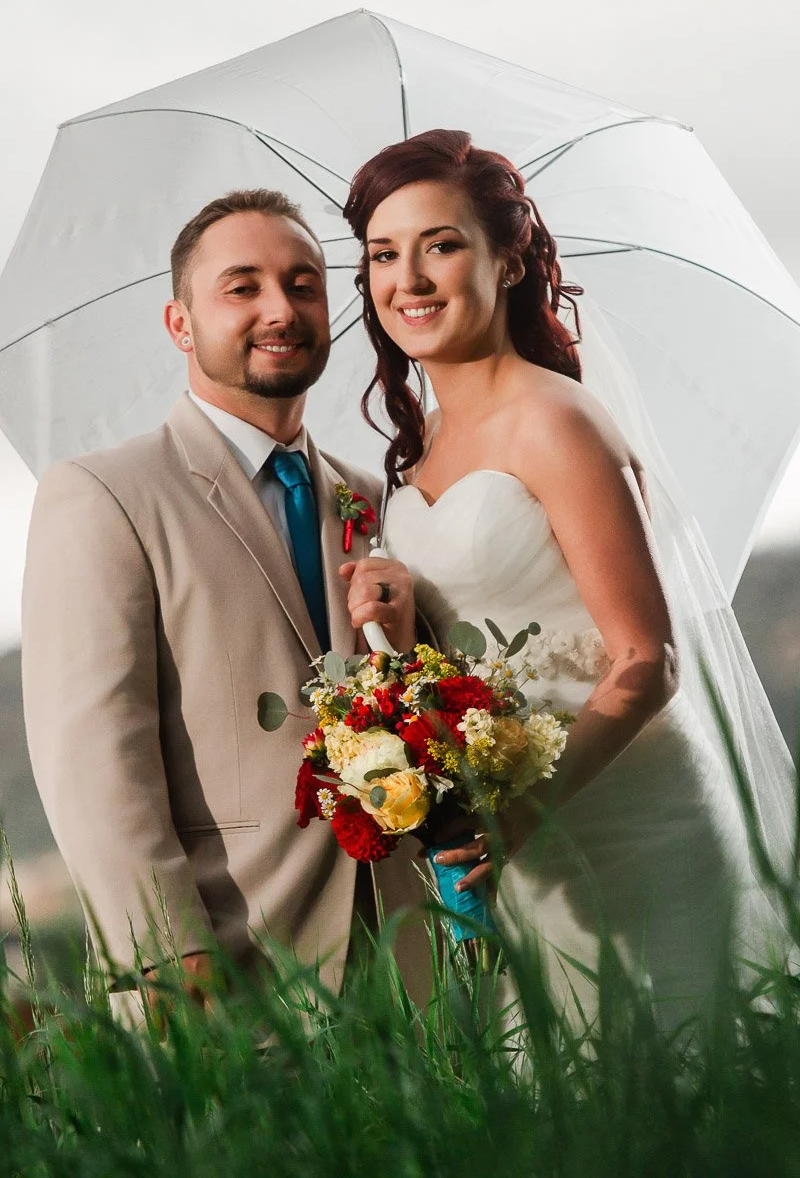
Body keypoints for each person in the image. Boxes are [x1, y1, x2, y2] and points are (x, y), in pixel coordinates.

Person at [342, 129, 798, 1031]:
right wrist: (392, 632)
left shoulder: (555, 422)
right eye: (384, 256)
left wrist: (529, 816)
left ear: (508, 261)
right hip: (513, 850)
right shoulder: (418, 450)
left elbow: (646, 659)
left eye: (441, 245)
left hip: (626, 823)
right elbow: (471, 638)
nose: (410, 280)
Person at [21, 188, 427, 1015]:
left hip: (398, 961)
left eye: (303, 283)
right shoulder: (103, 494)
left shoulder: (369, 498)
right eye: (242, 287)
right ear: (180, 324)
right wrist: (168, 954)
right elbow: (93, 764)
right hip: (227, 970)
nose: (280, 308)